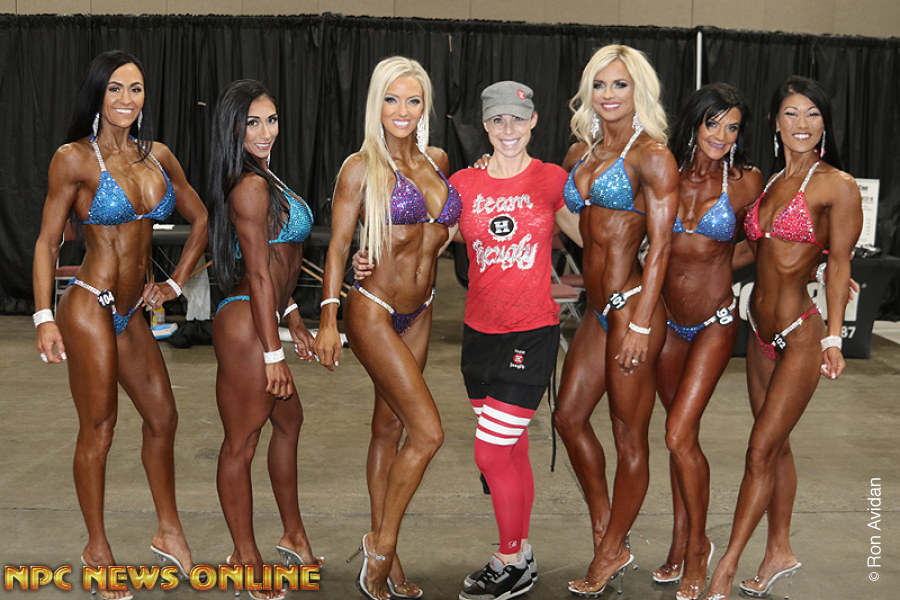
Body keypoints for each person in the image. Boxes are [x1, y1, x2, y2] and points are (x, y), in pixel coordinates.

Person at [353, 81, 583, 600]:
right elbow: (425, 243)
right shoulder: (463, 184)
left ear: (534, 121)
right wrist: (369, 258)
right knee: (512, 450)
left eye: (518, 119)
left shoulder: (551, 180)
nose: (508, 129)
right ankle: (521, 556)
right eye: (498, 120)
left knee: (491, 452)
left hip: (532, 332)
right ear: (485, 125)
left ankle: (508, 559)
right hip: (479, 336)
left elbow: (595, 236)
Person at [32, 50, 207, 599]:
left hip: (132, 312)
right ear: (98, 94)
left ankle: (169, 530)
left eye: (135, 88)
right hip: (89, 305)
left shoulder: (157, 156)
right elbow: (47, 242)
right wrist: (43, 317)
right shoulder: (74, 160)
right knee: (100, 428)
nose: (127, 99)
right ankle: (97, 548)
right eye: (115, 88)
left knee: (163, 417)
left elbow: (201, 218)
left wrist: (175, 283)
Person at [701, 76, 862, 600]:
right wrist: (692, 266)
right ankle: (779, 551)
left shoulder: (836, 185)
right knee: (777, 447)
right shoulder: (769, 183)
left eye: (813, 114)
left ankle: (725, 568)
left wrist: (834, 337)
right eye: (791, 113)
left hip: (800, 336)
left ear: (825, 123)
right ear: (775, 122)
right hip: (758, 333)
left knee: (758, 450)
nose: (802, 124)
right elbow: (754, 252)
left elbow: (839, 265)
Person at [314, 56, 461, 600]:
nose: (403, 110)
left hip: (421, 310)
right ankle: (381, 548)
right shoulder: (361, 167)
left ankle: (388, 553)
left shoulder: (437, 160)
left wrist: (433, 244)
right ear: (376, 104)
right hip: (373, 310)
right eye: (392, 99)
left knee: (389, 428)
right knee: (428, 433)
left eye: (413, 100)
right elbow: (336, 247)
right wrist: (328, 318)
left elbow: (442, 230)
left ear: (425, 107)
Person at [552, 44, 679, 597]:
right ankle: (609, 529)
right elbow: (574, 219)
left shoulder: (652, 156)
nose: (608, 94)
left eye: (620, 84)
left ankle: (608, 549)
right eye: (600, 84)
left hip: (632, 307)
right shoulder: (582, 151)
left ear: (639, 91)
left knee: (629, 435)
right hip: (597, 310)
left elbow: (662, 247)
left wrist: (644, 323)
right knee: (568, 418)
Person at [207, 79, 320, 600]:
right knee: (242, 441)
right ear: (232, 127)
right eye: (252, 122)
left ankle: (293, 535)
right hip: (246, 325)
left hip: (266, 316)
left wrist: (292, 315)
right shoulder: (250, 186)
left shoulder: (265, 176)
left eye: (271, 120)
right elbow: (255, 273)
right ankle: (245, 556)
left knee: (289, 422)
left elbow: (279, 265)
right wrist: (274, 353)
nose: (265, 131)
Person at [650, 84, 763, 600]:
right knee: (682, 437)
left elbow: (766, 241)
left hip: (715, 320)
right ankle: (680, 540)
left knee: (677, 434)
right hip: (666, 320)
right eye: (713, 123)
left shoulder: (746, 182)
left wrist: (713, 260)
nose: (722, 135)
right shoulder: (665, 170)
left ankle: (699, 548)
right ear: (694, 123)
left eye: (732, 127)